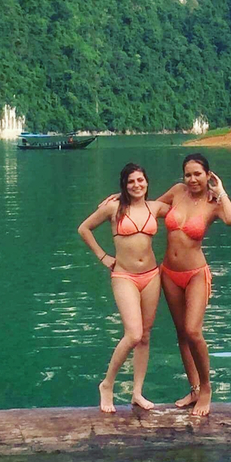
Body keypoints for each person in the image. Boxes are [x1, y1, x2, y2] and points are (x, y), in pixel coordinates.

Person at [78, 163, 169, 413]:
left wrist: (217, 195)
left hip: (151, 275)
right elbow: (84, 229)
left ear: (147, 182)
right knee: (134, 334)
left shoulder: (156, 207)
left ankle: (137, 392)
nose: (137, 185)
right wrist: (103, 256)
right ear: (124, 185)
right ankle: (107, 385)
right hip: (124, 275)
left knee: (146, 336)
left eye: (141, 180)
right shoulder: (113, 207)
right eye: (131, 182)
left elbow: (185, 205)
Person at [156, 153, 231, 417]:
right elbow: (147, 209)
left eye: (197, 174)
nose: (192, 179)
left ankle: (206, 389)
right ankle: (193, 389)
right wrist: (118, 202)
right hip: (169, 272)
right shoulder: (176, 192)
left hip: (195, 274)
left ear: (208, 175)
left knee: (193, 331)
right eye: (188, 174)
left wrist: (222, 191)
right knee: (181, 333)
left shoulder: (213, 202)